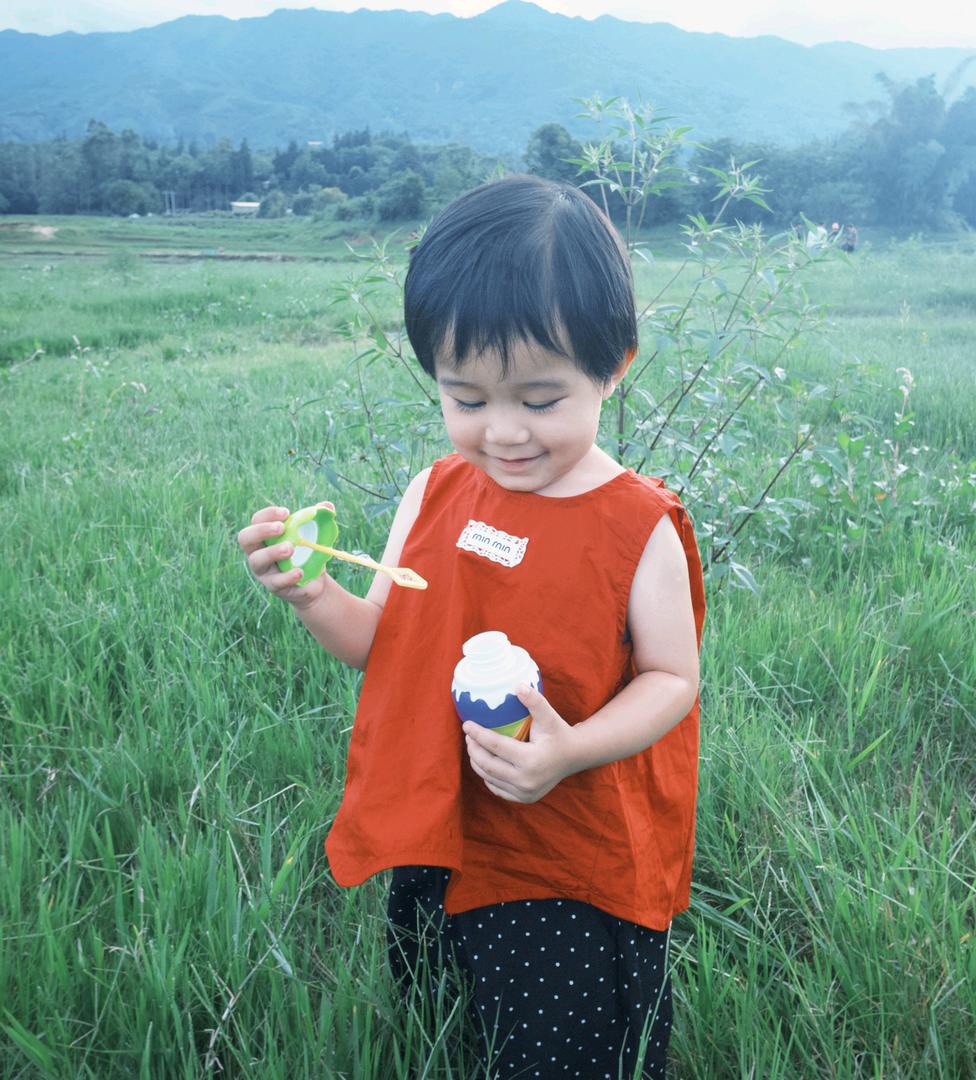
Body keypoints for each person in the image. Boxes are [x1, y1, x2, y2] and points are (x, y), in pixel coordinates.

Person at [237, 174, 705, 1079]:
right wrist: (311, 595)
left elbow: (672, 680)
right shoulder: (436, 491)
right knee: (443, 1023)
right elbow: (385, 644)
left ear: (615, 366)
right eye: (467, 399)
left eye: (540, 400)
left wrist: (570, 750)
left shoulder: (637, 524)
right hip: (443, 819)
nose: (504, 433)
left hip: (566, 846)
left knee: (567, 1050)